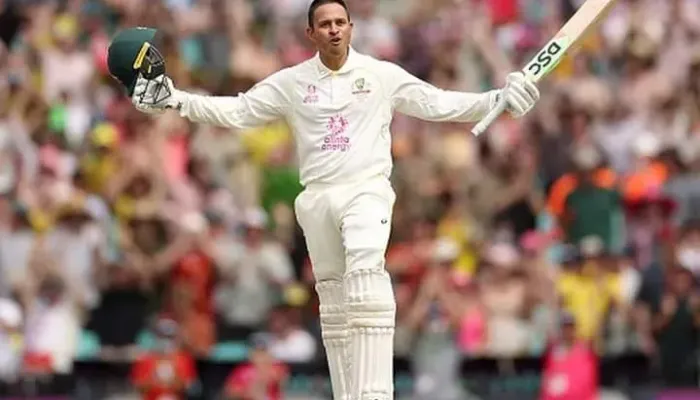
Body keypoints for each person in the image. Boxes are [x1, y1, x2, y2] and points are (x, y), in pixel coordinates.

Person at [106, 1, 540, 399]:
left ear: (351, 28)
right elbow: (238, 111)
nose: (333, 30)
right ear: (310, 33)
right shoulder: (292, 82)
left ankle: (375, 394)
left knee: (366, 275)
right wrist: (176, 99)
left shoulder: (381, 75)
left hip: (366, 190)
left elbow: (437, 103)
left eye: (339, 23)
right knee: (333, 298)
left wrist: (498, 98)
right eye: (324, 24)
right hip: (317, 197)